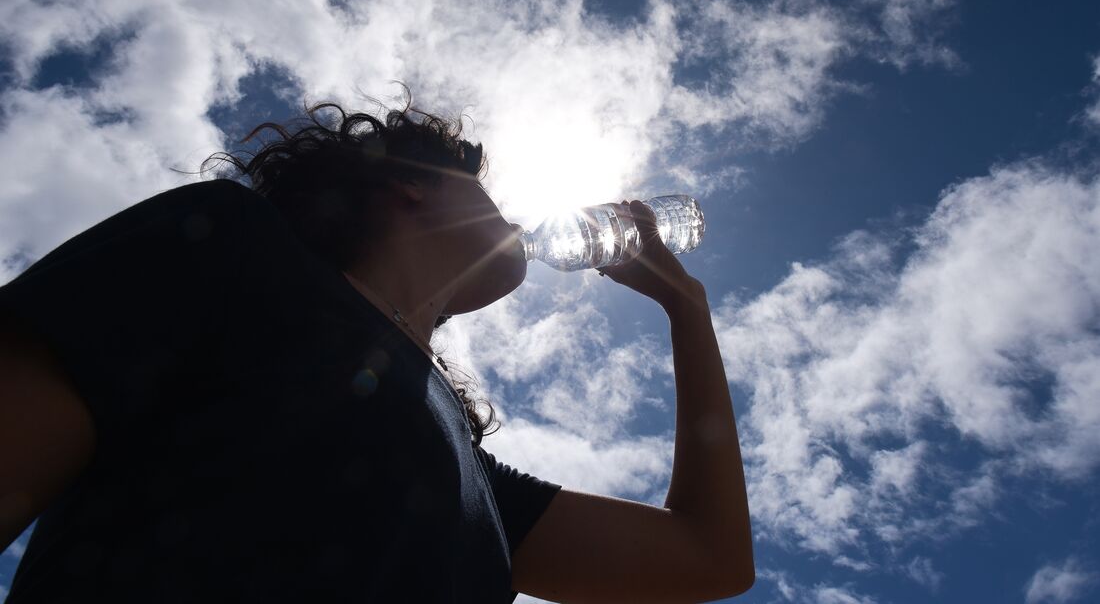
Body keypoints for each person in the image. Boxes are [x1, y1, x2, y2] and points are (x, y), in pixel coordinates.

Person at [0, 95, 754, 603]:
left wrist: (687, 308)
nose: (511, 215)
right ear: (411, 186)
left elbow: (709, 558)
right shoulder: (229, 245)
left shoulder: (472, 474)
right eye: (483, 188)